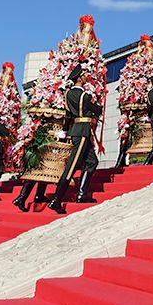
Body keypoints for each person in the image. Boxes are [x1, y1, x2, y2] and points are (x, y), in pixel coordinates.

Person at [48, 64, 103, 214]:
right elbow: (97, 110)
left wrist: (65, 131)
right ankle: (56, 200)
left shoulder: (68, 94)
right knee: (71, 167)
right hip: (82, 131)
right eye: (83, 75)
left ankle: (82, 195)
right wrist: (98, 105)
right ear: (79, 78)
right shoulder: (85, 96)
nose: (86, 77)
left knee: (92, 161)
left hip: (76, 130)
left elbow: (68, 115)